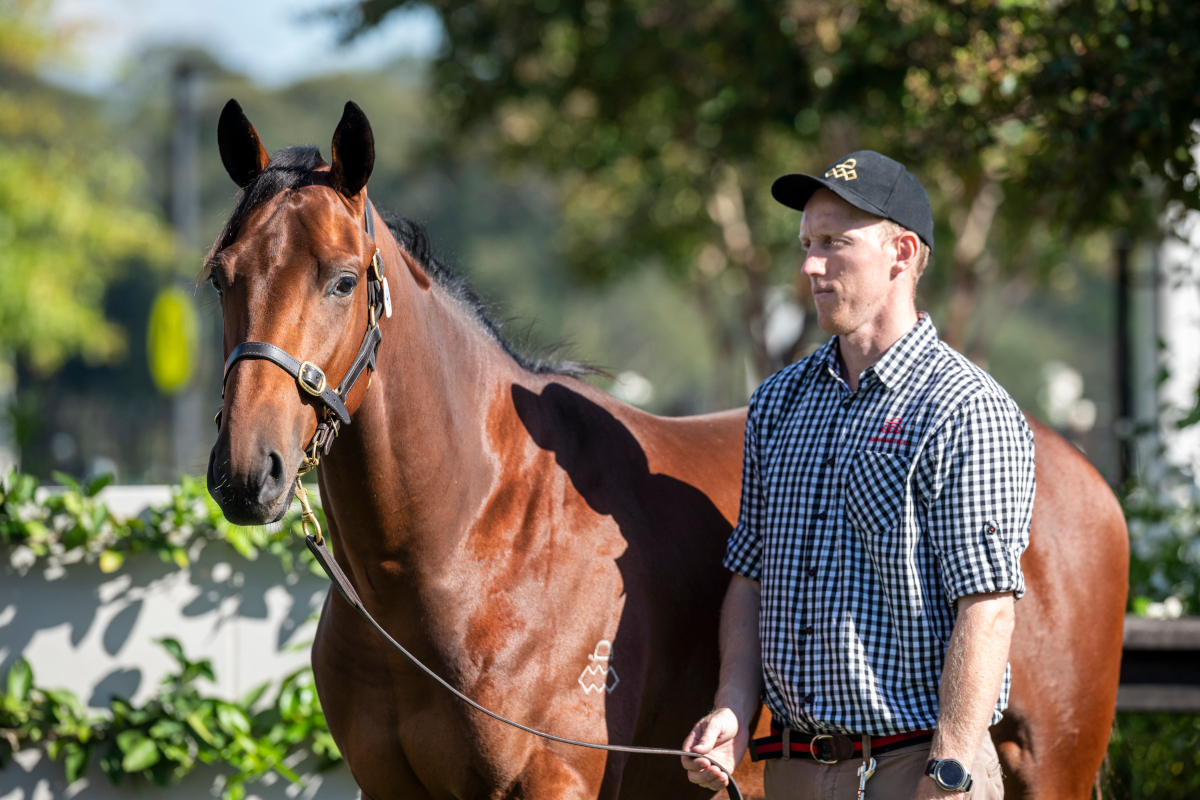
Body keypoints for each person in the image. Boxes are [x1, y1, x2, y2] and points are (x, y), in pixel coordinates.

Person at [680, 150, 1034, 800]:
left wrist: (949, 771)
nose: (810, 265)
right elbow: (751, 574)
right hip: (789, 770)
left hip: (918, 771)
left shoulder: (965, 408)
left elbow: (985, 608)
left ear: (901, 252)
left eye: (834, 244)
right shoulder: (778, 401)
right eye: (807, 243)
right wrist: (731, 710)